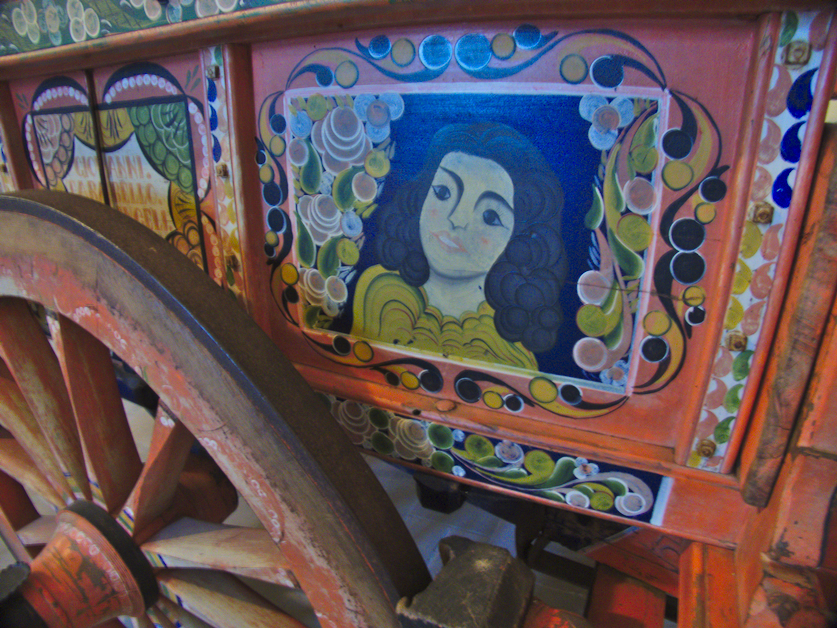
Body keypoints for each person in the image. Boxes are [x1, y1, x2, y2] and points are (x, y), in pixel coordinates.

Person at [352, 122, 566, 371]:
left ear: (519, 240)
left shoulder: (510, 353)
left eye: (490, 216)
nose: (456, 219)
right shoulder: (380, 289)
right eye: (443, 192)